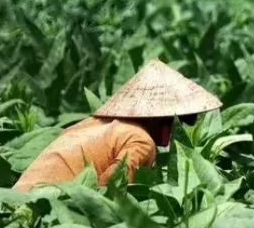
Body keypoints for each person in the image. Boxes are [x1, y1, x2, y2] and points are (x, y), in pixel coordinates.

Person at [12, 59, 222, 192]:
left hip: (16, 197)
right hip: (45, 205)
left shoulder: (94, 124)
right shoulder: (141, 140)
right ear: (157, 116)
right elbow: (110, 190)